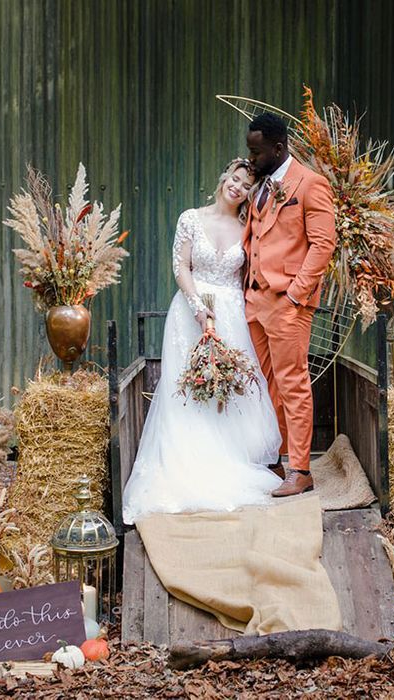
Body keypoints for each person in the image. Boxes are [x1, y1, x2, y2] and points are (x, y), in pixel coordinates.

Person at [122, 159, 282, 525]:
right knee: (191, 390)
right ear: (224, 177)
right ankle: (189, 462)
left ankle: (227, 461)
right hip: (190, 314)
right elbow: (181, 267)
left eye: (246, 185)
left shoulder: (247, 228)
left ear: (249, 193)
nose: (237, 187)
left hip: (232, 316)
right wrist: (198, 307)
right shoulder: (191, 218)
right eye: (235, 178)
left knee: (228, 389)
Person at [244, 113, 336, 497]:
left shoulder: (311, 185)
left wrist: (297, 294)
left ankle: (301, 469)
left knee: (293, 384)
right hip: (254, 301)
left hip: (287, 302)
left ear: (278, 148)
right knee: (267, 387)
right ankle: (278, 459)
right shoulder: (260, 187)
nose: (250, 157)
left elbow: (323, 244)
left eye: (256, 150)